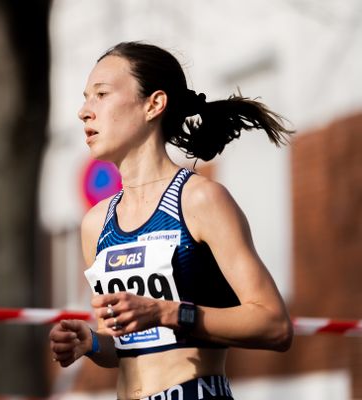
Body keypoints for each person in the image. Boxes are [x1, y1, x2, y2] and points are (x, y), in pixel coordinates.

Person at [49, 41, 294, 400]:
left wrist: (169, 312)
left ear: (154, 104)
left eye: (101, 94)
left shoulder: (201, 200)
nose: (84, 112)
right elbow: (123, 347)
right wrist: (91, 343)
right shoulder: (95, 224)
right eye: (86, 97)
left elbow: (274, 325)